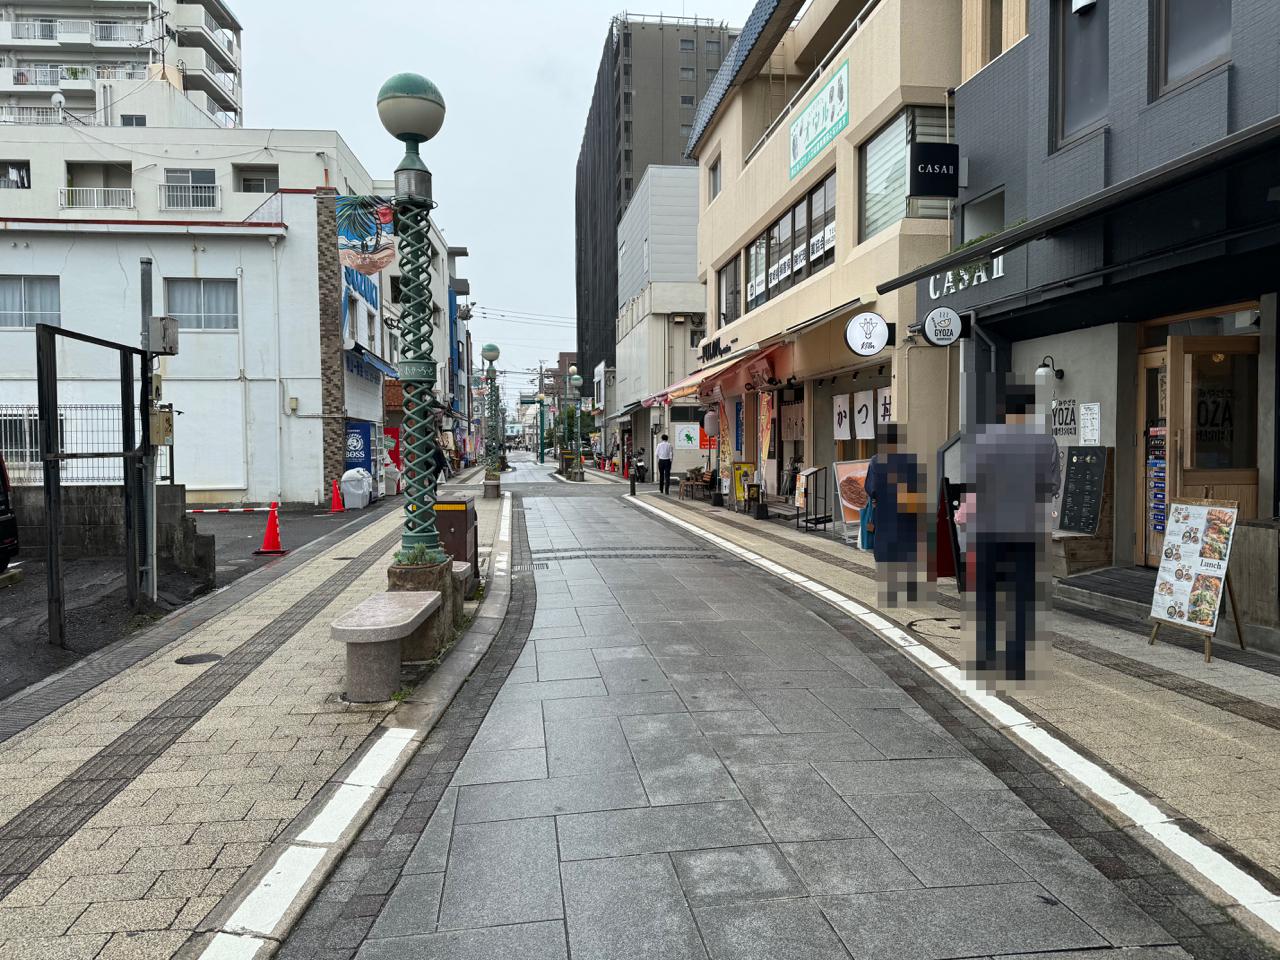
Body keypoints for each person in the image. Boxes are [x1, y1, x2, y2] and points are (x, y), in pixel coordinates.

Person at [960, 384, 1059, 682]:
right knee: (1022, 596)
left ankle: (985, 657)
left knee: (986, 595)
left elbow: (974, 483)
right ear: (1029, 411)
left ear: (1003, 410)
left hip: (988, 529)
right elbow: (1052, 486)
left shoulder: (985, 440)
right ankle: (1017, 664)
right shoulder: (1046, 442)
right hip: (1027, 530)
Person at [863, 424, 923, 606]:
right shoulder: (912, 461)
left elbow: (871, 489)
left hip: (887, 511)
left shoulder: (876, 461)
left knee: (886, 549)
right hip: (910, 512)